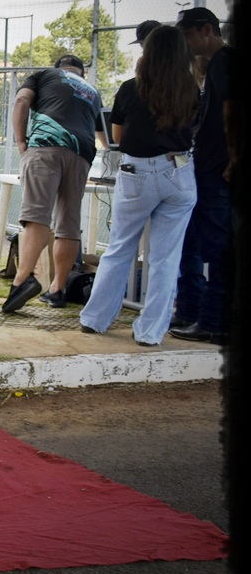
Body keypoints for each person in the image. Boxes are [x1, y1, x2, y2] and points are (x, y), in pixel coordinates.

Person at [79, 26, 201, 345]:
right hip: (179, 172)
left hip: (137, 173)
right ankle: (150, 331)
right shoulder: (191, 89)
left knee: (120, 247)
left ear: (148, 52)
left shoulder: (131, 88)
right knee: (165, 258)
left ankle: (95, 319)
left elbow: (117, 137)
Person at [3, 54, 106, 312]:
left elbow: (21, 101)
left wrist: (21, 142)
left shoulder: (44, 75)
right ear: (81, 73)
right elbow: (103, 134)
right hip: (82, 153)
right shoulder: (93, 91)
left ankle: (22, 279)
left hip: (46, 145)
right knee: (69, 222)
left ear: (59, 68)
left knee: (37, 215)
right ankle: (58, 289)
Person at [169, 7, 233, 345]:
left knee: (217, 248)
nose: (186, 42)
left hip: (215, 171)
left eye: (188, 35)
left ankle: (214, 322)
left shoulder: (224, 61)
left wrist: (233, 159)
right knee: (196, 242)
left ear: (206, 30)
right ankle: (194, 311)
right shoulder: (212, 66)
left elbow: (231, 111)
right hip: (206, 168)